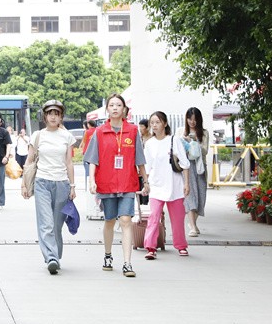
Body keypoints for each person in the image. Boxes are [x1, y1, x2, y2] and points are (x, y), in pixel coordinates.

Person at [84, 94, 148, 278]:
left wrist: (146, 181)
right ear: (107, 109)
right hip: (107, 183)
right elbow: (93, 159)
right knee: (110, 220)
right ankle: (108, 255)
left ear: (124, 109)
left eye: (118, 105)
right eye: (111, 105)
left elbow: (139, 159)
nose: (115, 108)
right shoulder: (99, 132)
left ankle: (127, 263)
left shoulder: (133, 131)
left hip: (127, 182)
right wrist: (92, 181)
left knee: (126, 220)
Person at [20, 100, 76, 274]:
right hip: (42, 182)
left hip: (62, 184)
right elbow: (29, 160)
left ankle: (55, 255)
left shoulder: (67, 136)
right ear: (44, 116)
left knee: (57, 225)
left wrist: (72, 186)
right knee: (46, 223)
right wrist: (24, 184)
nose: (53, 117)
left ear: (61, 117)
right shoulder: (38, 135)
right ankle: (51, 257)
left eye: (56, 114)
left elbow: (69, 162)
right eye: (50, 113)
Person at [142, 111, 190, 259]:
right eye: (152, 123)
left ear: (165, 123)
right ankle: (151, 247)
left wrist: (186, 184)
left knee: (178, 219)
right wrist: (145, 184)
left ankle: (181, 246)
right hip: (156, 185)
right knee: (153, 217)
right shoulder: (149, 144)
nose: (154, 125)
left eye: (157, 122)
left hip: (175, 185)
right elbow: (147, 166)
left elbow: (185, 163)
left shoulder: (174, 140)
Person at [182, 107, 209, 237]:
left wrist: (193, 142)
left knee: (201, 197)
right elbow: (178, 152)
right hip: (187, 168)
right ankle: (192, 226)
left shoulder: (204, 133)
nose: (192, 122)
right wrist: (185, 142)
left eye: (195, 119)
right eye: (190, 119)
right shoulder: (181, 132)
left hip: (200, 167)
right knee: (190, 196)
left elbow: (205, 151)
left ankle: (193, 223)